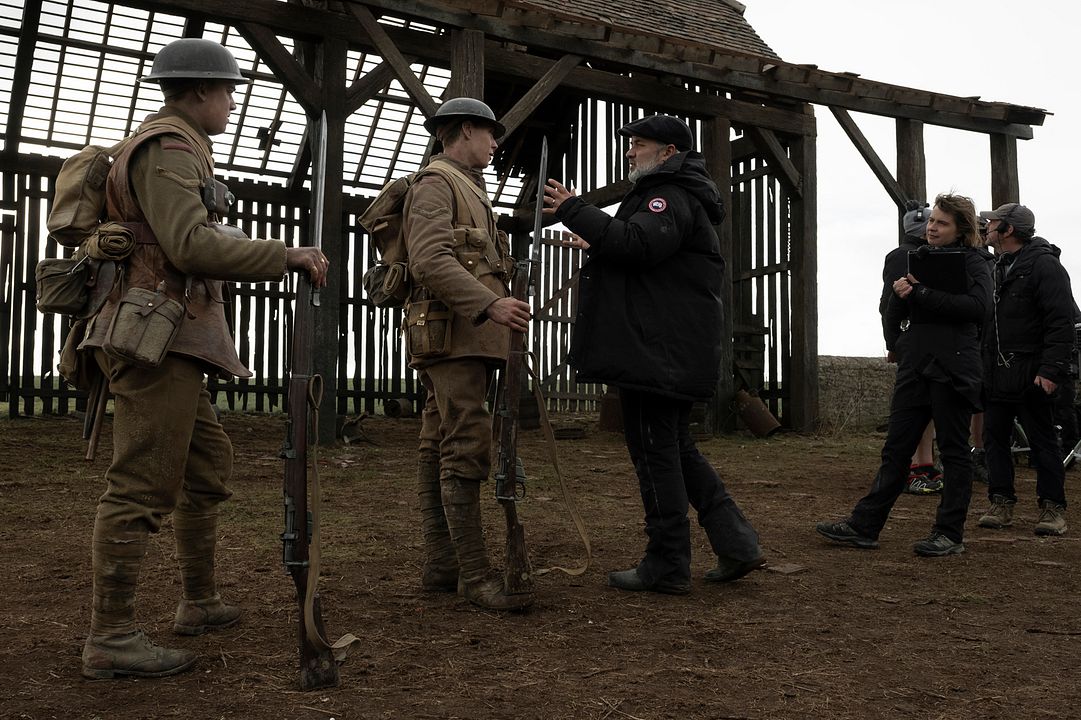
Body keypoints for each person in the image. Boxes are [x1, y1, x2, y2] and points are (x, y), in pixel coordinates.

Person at [77, 39, 328, 679]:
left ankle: (199, 599)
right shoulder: (168, 148)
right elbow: (188, 245)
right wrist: (285, 254)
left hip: (173, 336)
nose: (231, 100)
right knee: (141, 481)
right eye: (227, 90)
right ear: (197, 92)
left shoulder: (183, 147)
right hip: (154, 338)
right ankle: (111, 635)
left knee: (207, 461)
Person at [543, 114, 763, 595]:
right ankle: (737, 542)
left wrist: (574, 209)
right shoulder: (675, 194)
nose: (629, 152)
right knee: (674, 448)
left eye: (638, 144)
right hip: (666, 348)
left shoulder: (670, 194)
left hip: (658, 351)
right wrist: (597, 237)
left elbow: (640, 244)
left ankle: (666, 562)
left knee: (654, 453)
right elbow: (650, 259)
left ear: (668, 152)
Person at [403, 97, 533, 611]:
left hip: (466, 336)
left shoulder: (470, 187)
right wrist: (490, 303)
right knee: (465, 442)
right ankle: (474, 576)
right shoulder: (437, 183)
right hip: (452, 336)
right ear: (463, 131)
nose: (496, 143)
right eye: (489, 133)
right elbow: (429, 259)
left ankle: (442, 562)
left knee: (439, 440)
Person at [816, 193, 993, 556]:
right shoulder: (917, 258)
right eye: (932, 221)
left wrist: (922, 293)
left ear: (960, 229)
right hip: (918, 365)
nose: (932, 227)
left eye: (942, 223)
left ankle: (949, 534)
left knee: (955, 452)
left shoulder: (975, 262)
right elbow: (895, 307)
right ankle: (864, 526)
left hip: (955, 366)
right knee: (895, 449)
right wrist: (899, 327)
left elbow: (977, 308)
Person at [976, 204, 1072, 535]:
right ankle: (1001, 502)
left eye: (993, 223)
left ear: (1009, 230)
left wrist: (1049, 371)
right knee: (994, 439)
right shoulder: (994, 267)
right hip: (997, 373)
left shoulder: (1045, 266)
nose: (986, 227)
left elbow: (1061, 323)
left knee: (1044, 441)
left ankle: (1053, 510)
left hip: (1033, 373)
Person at [881, 204, 944, 495]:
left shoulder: (907, 253)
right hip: (913, 337)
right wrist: (894, 342)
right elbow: (890, 301)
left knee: (927, 405)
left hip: (919, 337)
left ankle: (924, 463)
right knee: (916, 406)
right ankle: (915, 467)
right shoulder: (904, 256)